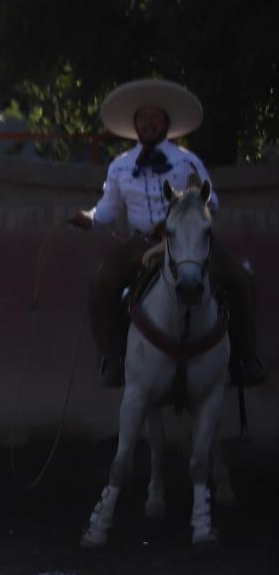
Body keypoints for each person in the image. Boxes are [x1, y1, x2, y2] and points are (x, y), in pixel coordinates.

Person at [68, 78, 262, 387]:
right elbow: (108, 208)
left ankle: (245, 359)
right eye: (142, 119)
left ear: (166, 123)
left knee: (240, 279)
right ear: (135, 125)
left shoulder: (187, 160)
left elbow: (214, 201)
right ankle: (112, 360)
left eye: (154, 118)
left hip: (186, 240)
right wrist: (89, 218)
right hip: (141, 242)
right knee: (101, 282)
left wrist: (196, 198)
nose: (148, 124)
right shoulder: (120, 165)